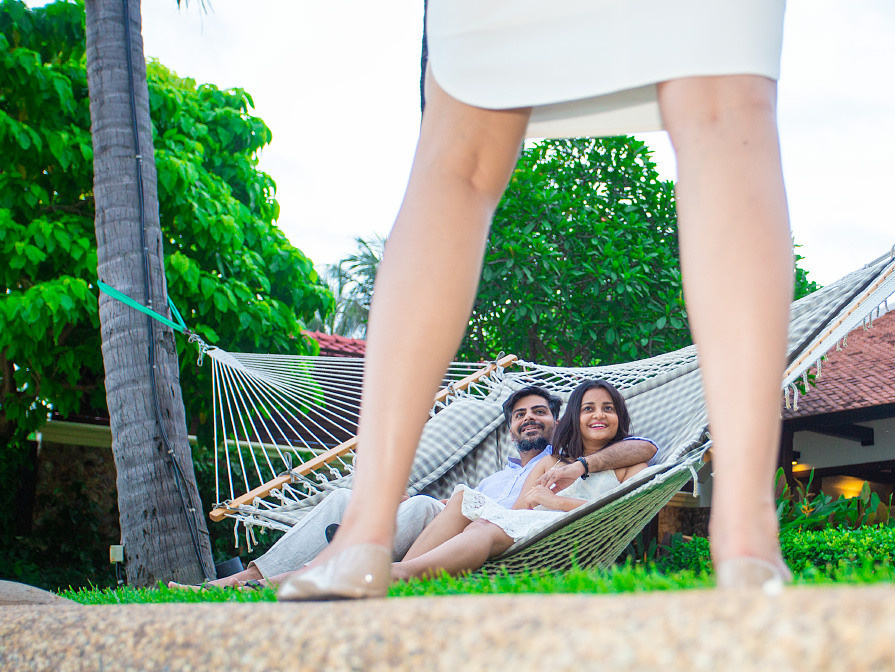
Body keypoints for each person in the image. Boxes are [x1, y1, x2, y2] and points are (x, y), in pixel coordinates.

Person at [279, 1, 794, 600]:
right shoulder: (550, 450)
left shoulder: (607, 457)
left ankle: (745, 529)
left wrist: (578, 468)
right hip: (502, 514)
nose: (598, 417)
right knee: (461, 149)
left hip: (531, 522)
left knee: (723, 110)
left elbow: (645, 449)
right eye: (589, 410)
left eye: (607, 409)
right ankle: (365, 536)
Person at [181, 385, 655, 590]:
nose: (530, 419)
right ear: (510, 428)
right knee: (351, 498)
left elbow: (643, 454)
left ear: (558, 420)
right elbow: (522, 499)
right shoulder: (530, 465)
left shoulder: (582, 460)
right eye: (520, 415)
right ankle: (257, 576)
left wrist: (576, 472)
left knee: (443, 510)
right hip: (467, 509)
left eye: (540, 413)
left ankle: (332, 571)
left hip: (495, 522)